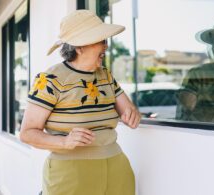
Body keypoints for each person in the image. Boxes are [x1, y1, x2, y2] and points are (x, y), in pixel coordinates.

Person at [19, 10, 141, 195]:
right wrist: (65, 141)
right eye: (101, 40)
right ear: (80, 46)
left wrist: (132, 114)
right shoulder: (50, 79)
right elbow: (27, 133)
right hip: (70, 174)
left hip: (117, 167)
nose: (106, 46)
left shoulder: (106, 76)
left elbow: (129, 111)